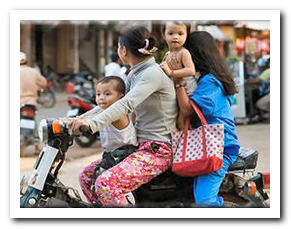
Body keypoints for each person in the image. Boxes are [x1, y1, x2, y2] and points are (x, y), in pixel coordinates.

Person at [68, 26, 177, 207]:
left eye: (118, 47)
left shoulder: (151, 74)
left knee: (105, 185)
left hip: (158, 150)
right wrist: (76, 120)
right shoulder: (135, 73)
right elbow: (109, 104)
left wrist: (93, 124)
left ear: (123, 51)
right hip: (138, 148)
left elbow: (125, 105)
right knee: (87, 177)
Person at [176, 31, 240, 207]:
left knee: (205, 202)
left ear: (195, 54)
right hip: (212, 145)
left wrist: (178, 81)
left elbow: (188, 109)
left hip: (220, 148)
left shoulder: (210, 82)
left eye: (186, 54)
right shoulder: (208, 78)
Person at [78, 76, 138, 204]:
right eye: (98, 94)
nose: (101, 97)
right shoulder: (102, 110)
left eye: (107, 94)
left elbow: (97, 118)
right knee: (84, 177)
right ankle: (100, 205)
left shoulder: (118, 113)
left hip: (125, 154)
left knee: (102, 180)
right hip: (110, 156)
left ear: (121, 98)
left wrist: (85, 122)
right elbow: (85, 116)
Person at [160, 21, 196, 130]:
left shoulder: (184, 53)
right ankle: (183, 143)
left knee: (181, 121)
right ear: (164, 35)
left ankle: (187, 144)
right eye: (171, 34)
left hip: (187, 90)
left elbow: (191, 70)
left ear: (186, 35)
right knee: (176, 122)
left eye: (180, 34)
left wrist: (172, 73)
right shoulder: (167, 54)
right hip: (175, 90)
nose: (175, 37)